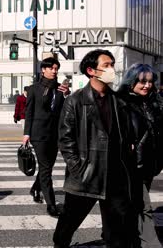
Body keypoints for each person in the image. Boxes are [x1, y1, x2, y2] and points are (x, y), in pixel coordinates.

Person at [53, 49, 140, 248]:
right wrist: (79, 168)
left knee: (116, 232)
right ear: (91, 71)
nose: (112, 69)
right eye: (106, 65)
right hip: (86, 175)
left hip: (115, 176)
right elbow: (65, 140)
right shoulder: (75, 101)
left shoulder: (118, 101)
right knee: (68, 224)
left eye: (112, 65)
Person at [117, 64, 163, 248]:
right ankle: (151, 244)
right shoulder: (121, 103)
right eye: (142, 81)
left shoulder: (155, 103)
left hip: (149, 164)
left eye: (150, 82)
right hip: (129, 165)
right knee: (144, 207)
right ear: (132, 80)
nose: (147, 86)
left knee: (134, 205)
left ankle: (123, 235)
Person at [23, 57, 70, 217]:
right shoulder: (33, 89)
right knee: (46, 169)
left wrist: (67, 96)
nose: (55, 71)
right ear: (43, 70)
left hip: (55, 134)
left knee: (46, 167)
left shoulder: (61, 89)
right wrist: (26, 133)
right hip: (38, 134)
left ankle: (35, 188)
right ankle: (51, 205)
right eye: (52, 68)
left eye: (56, 68)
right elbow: (28, 113)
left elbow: (64, 111)